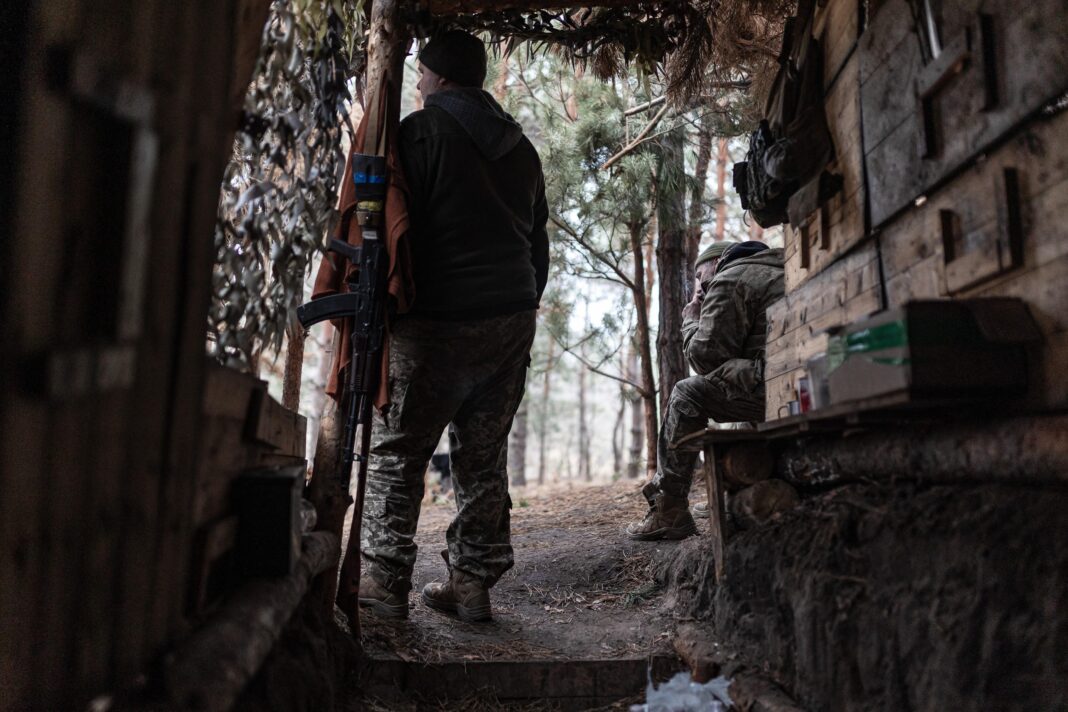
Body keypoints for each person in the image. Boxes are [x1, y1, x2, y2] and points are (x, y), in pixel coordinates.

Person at [356, 30, 548, 623]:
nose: (416, 83)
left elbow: (392, 229)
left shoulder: (418, 134)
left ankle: (384, 583)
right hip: (509, 318)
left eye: (420, 73)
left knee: (398, 449)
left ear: (437, 76)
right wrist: (516, 308)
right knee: (482, 458)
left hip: (435, 321)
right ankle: (471, 588)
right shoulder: (521, 148)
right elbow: (538, 245)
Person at [626, 240, 784, 541]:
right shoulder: (781, 268)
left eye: (700, 276)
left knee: (688, 394)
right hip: (807, 381)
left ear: (718, 262)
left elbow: (704, 357)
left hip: (777, 386)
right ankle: (735, 493)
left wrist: (691, 319)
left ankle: (669, 509)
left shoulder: (731, 278)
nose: (700, 286)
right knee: (739, 377)